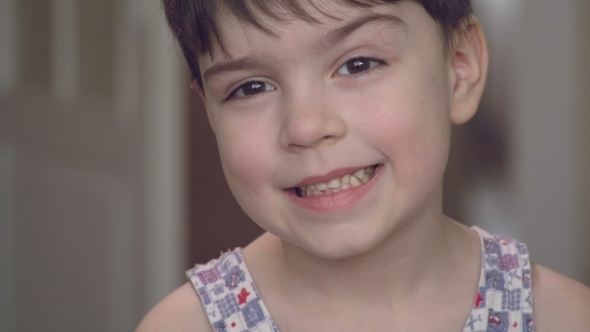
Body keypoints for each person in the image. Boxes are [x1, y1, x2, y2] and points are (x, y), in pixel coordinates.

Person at [137, 0, 590, 331]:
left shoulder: (562, 317)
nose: (307, 126)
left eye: (358, 64)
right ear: (211, 115)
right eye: (251, 88)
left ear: (459, 68)